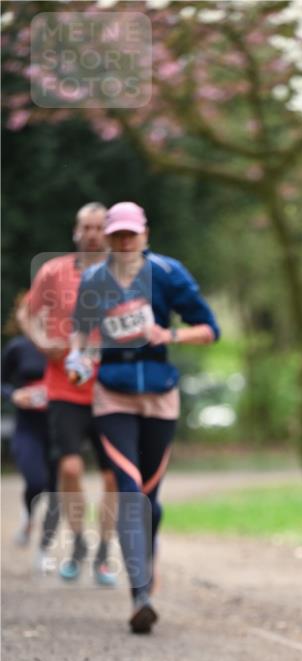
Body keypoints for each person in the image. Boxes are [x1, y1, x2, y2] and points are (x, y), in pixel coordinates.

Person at [67, 201, 220, 634]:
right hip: (111, 397)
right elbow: (81, 340)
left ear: (145, 235)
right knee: (130, 493)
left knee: (149, 500)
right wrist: (80, 364)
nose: (123, 243)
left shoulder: (169, 274)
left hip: (159, 397)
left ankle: (145, 568)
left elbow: (209, 329)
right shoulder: (94, 280)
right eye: (116, 236)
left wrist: (166, 333)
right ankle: (140, 596)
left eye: (130, 235)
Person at [17, 203, 118, 586]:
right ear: (76, 232)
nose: (92, 233)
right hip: (63, 386)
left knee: (112, 478)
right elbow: (28, 313)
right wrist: (43, 340)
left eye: (99, 227)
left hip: (111, 389)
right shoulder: (53, 271)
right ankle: (77, 544)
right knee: (71, 468)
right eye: (86, 227)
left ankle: (105, 554)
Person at [1, 328, 59, 558]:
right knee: (36, 482)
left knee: (56, 493)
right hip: (29, 428)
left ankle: (44, 548)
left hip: (60, 427)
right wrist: (13, 395)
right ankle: (28, 516)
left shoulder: (69, 345)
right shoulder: (18, 347)